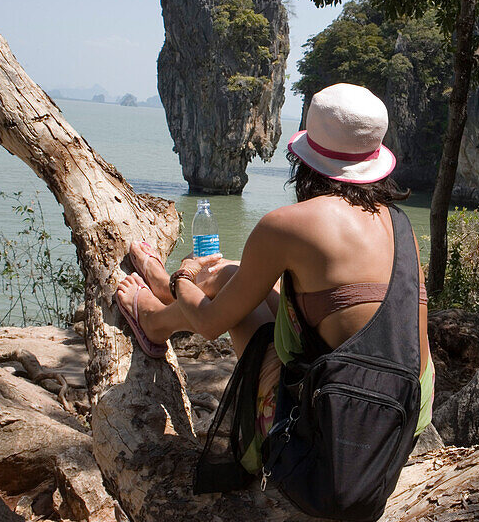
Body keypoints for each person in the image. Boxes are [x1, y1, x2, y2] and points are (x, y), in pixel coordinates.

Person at [113, 83, 434, 486]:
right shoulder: (400, 226)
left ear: (305, 157)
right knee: (235, 275)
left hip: (335, 432)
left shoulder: (287, 225)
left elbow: (211, 324)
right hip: (404, 417)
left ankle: (155, 318)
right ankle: (163, 289)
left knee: (231, 286)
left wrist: (184, 276)